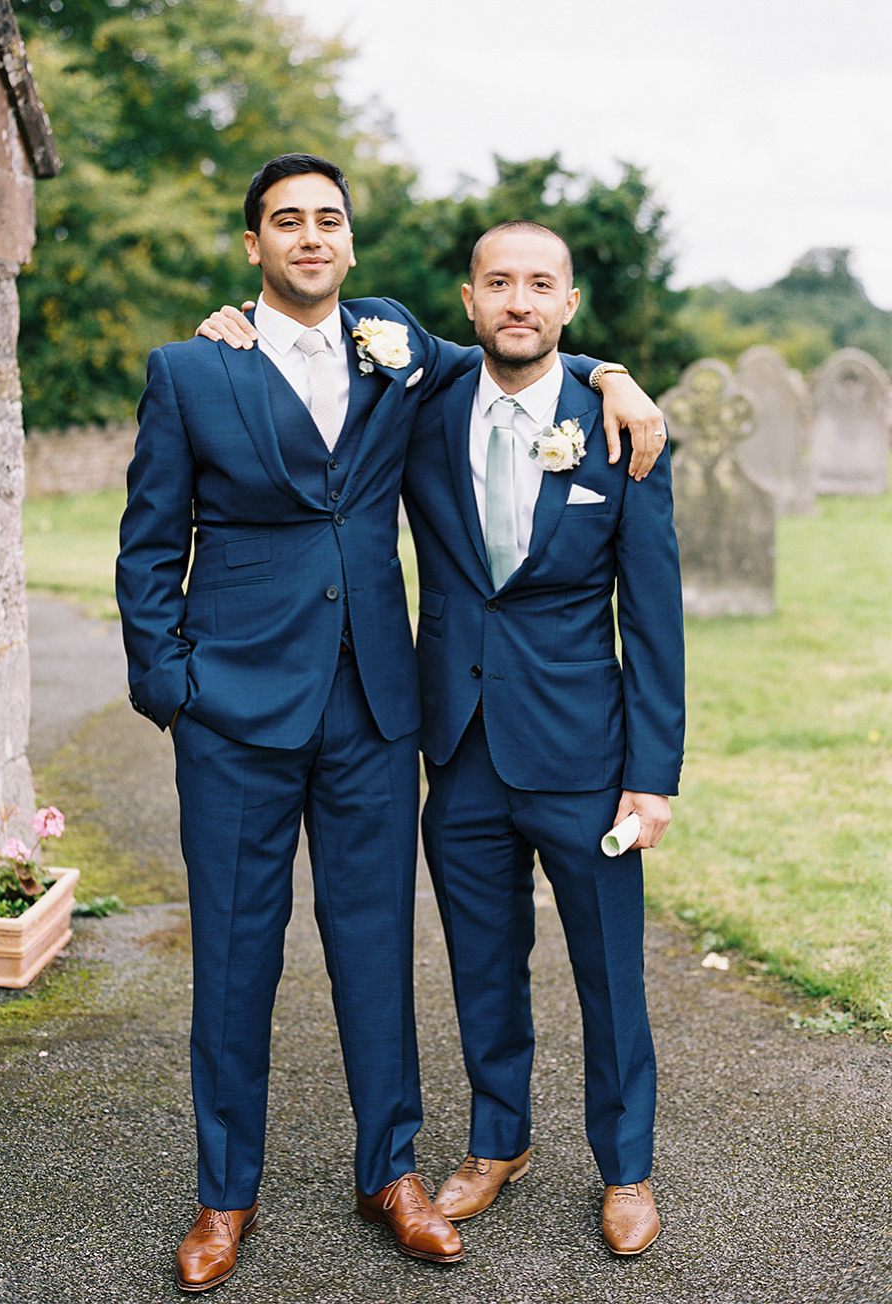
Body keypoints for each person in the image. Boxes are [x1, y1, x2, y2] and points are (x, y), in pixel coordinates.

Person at [119, 152, 664, 1292]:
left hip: (376, 712)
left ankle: (392, 1171)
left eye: (329, 219)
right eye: (286, 221)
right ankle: (225, 1196)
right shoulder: (191, 368)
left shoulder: (399, 351)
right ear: (254, 244)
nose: (310, 236)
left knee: (377, 955)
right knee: (232, 961)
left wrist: (613, 371)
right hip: (234, 712)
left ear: (352, 245)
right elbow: (148, 546)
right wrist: (171, 685)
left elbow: (523, 349)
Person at [402, 220, 685, 1256]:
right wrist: (229, 326)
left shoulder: (623, 429)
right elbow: (328, 335)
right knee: (483, 963)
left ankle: (626, 1166)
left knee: (610, 973)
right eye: (498, 282)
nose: (518, 300)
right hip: (462, 747)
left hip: (586, 758)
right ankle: (497, 1140)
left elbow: (654, 619)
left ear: (569, 305)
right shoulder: (422, 410)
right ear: (468, 301)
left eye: (540, 284)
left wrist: (651, 778)